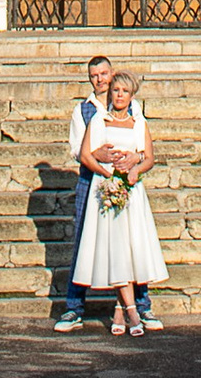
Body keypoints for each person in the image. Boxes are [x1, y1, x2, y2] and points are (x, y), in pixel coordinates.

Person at [72, 73, 168, 337]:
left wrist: (136, 169)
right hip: (106, 190)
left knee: (131, 247)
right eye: (115, 90)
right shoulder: (99, 120)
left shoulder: (139, 123)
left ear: (132, 95)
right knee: (114, 247)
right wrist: (105, 174)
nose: (119, 95)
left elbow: (149, 158)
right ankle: (132, 310)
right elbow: (85, 155)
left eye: (125, 91)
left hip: (131, 193)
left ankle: (119, 308)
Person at [54, 49, 120, 329]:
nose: (100, 80)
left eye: (104, 74)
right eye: (94, 76)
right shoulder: (83, 110)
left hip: (122, 179)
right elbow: (76, 150)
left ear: (112, 73)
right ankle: (74, 307)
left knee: (126, 242)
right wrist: (97, 156)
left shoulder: (128, 104)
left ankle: (138, 305)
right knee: (82, 240)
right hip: (89, 179)